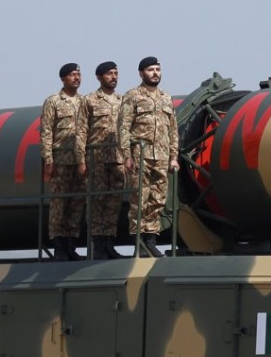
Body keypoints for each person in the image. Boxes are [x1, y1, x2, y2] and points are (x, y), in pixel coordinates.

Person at [118, 56, 179, 258]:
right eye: (150, 70)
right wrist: (126, 155)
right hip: (140, 156)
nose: (155, 73)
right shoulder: (132, 96)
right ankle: (139, 243)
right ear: (141, 73)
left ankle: (150, 240)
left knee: (157, 199)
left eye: (157, 70)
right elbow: (123, 127)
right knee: (139, 199)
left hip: (161, 157)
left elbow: (173, 130)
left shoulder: (165, 98)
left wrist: (173, 156)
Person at [77, 61, 126, 259]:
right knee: (97, 201)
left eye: (115, 73)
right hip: (96, 159)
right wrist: (81, 160)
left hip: (117, 158)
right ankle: (98, 244)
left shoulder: (123, 101)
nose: (113, 77)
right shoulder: (89, 100)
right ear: (99, 77)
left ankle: (109, 243)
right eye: (109, 74)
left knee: (113, 201)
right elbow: (81, 131)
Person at [41, 63, 86, 261]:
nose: (76, 78)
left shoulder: (84, 102)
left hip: (79, 161)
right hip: (61, 161)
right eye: (72, 75)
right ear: (63, 79)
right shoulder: (53, 101)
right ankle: (58, 245)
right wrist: (48, 159)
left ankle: (70, 244)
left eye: (78, 74)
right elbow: (46, 131)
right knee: (59, 204)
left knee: (76, 204)